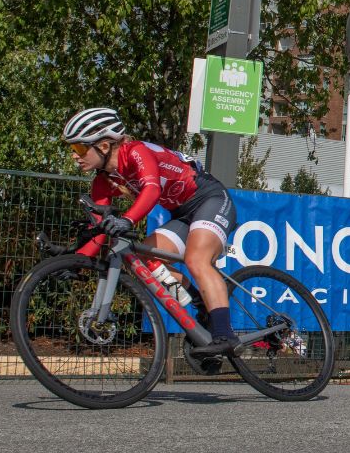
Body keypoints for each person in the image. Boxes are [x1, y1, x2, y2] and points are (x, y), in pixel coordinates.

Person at [63, 107, 239, 357]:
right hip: (181, 213)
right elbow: (99, 229)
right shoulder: (102, 181)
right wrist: (74, 262)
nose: (74, 156)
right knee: (147, 259)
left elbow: (152, 190)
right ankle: (201, 304)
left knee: (196, 259)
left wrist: (127, 220)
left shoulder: (136, 151)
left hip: (209, 198)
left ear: (103, 146)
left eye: (79, 148)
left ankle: (225, 334)